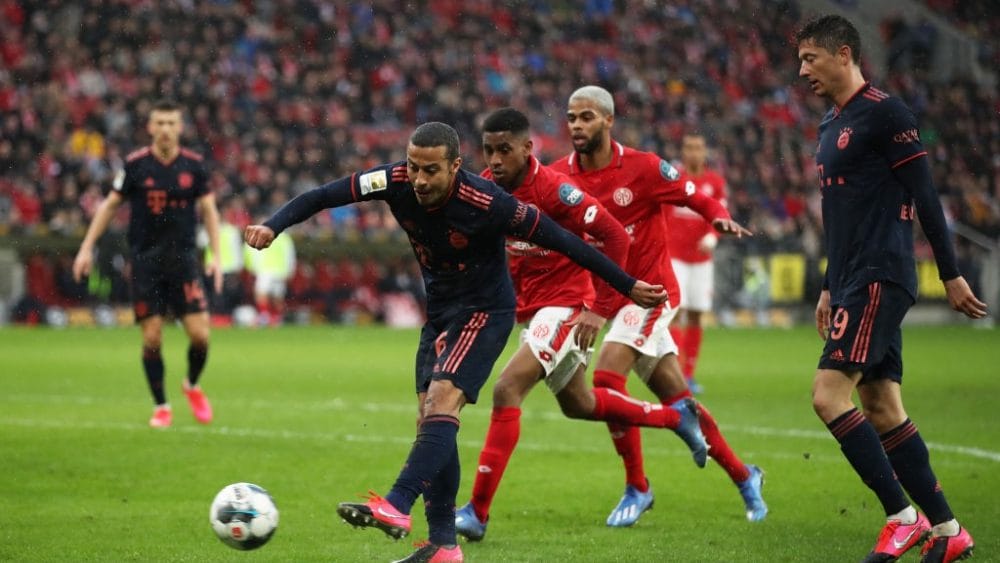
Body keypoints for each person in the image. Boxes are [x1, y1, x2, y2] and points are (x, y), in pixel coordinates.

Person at [244, 122, 667, 563]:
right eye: (413, 167)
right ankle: (445, 546)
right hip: (440, 314)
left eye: (431, 170)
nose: (420, 180)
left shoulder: (489, 203)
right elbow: (324, 195)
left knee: (443, 402)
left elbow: (563, 241)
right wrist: (274, 226)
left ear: (456, 167)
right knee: (428, 419)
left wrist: (625, 284)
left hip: (485, 311)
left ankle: (397, 503)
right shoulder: (393, 181)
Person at [453, 108, 707, 542]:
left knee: (506, 388)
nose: (495, 160)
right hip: (533, 309)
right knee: (580, 404)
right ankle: (673, 418)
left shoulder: (555, 190)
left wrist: (599, 308)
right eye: (489, 150)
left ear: (527, 148)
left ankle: (476, 512)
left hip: (569, 303)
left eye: (504, 150)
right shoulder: (488, 188)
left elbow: (616, 236)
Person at [795, 15, 987, 563]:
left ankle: (902, 516)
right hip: (852, 278)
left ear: (845, 53)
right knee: (880, 405)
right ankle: (949, 531)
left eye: (811, 57)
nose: (802, 69)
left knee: (828, 396)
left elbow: (925, 195)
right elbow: (839, 218)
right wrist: (829, 286)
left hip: (881, 272)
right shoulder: (830, 124)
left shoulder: (886, 113)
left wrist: (949, 273)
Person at [549, 85, 768, 526]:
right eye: (572, 118)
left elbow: (690, 191)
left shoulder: (643, 168)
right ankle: (745, 476)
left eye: (587, 117)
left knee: (608, 377)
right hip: (605, 297)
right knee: (676, 396)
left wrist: (714, 216)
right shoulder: (559, 176)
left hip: (649, 292)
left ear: (608, 121)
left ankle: (638, 487)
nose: (577, 125)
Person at [72, 99, 222, 428]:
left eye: (172, 123)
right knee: (152, 338)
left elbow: (210, 211)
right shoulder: (136, 165)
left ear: (180, 127)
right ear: (150, 127)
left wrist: (216, 256)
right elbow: (109, 206)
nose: (166, 129)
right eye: (160, 123)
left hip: (183, 262)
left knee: (201, 336)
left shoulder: (194, 166)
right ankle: (162, 406)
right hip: (146, 263)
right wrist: (86, 248)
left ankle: (191, 385)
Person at [665, 132, 728, 394]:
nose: (693, 152)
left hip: (701, 260)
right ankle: (677, 371)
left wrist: (713, 236)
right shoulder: (674, 180)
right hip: (674, 256)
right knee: (676, 312)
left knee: (697, 314)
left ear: (705, 152)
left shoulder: (715, 182)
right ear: (683, 151)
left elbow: (721, 214)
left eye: (698, 147)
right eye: (689, 147)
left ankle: (689, 374)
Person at [244, 215, 296, 326]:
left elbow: (249, 254)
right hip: (280, 271)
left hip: (265, 270)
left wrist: (252, 269)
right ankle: (276, 319)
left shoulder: (255, 235)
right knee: (277, 297)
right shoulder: (284, 237)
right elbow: (290, 255)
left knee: (262, 294)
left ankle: (265, 317)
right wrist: (290, 270)